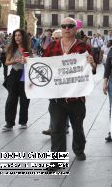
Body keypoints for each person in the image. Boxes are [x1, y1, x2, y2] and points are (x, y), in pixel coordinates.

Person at [43, 17, 96, 171]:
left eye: (70, 26)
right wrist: (29, 63)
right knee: (57, 128)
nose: (67, 28)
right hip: (57, 97)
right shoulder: (52, 46)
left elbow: (92, 70)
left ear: (75, 29)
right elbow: (44, 65)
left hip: (77, 96)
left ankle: (79, 149)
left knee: (77, 126)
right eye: (64, 26)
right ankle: (57, 161)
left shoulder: (84, 47)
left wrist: (92, 65)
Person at [2, 29, 31, 132]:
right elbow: (6, 62)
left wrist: (26, 60)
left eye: (19, 35)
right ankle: (9, 123)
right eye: (15, 36)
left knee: (24, 100)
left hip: (25, 76)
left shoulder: (27, 49)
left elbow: (31, 62)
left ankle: (23, 121)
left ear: (23, 37)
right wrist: (14, 61)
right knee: (11, 100)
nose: (17, 37)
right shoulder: (11, 49)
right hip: (14, 74)